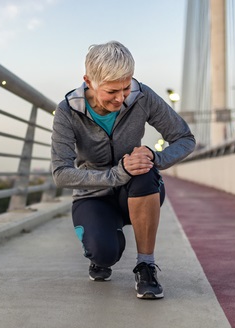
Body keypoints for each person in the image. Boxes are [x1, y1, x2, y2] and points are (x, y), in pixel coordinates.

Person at [50, 41, 195, 299]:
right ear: (88, 81)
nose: (121, 98)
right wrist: (118, 173)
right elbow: (61, 173)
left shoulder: (142, 96)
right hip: (92, 196)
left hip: (136, 190)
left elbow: (185, 138)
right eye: (111, 91)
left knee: (144, 169)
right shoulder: (67, 112)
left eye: (126, 87)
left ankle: (146, 265)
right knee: (105, 254)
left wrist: (155, 157)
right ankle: (104, 242)